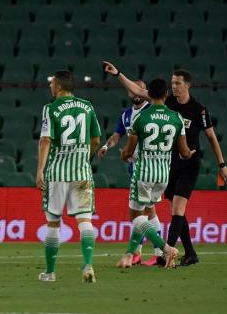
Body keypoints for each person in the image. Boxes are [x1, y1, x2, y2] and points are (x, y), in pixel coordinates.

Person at [103, 61, 227, 266]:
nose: (174, 86)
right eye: (172, 83)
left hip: (178, 166)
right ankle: (187, 252)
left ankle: (164, 250)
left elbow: (211, 137)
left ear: (187, 85)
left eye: (178, 83)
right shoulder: (172, 110)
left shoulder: (198, 110)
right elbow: (137, 89)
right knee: (170, 211)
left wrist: (221, 163)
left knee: (156, 213)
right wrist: (118, 73)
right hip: (168, 167)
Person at [114, 78, 196, 269]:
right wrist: (188, 154)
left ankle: (165, 248)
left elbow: (128, 151)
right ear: (166, 95)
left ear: (149, 95)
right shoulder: (176, 118)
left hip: (143, 173)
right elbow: (184, 152)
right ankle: (132, 255)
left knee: (135, 216)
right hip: (162, 176)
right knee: (146, 212)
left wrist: (124, 157)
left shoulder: (140, 118)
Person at [36, 70, 101, 283]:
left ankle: (50, 272)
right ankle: (88, 263)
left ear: (60, 86)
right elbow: (95, 140)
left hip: (57, 174)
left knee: (54, 222)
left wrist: (40, 170)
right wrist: (85, 159)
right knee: (85, 221)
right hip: (82, 172)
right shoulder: (88, 106)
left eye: (52, 82)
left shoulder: (50, 108)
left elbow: (45, 141)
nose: (50, 86)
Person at [97, 79, 164, 266]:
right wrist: (106, 146)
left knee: (146, 211)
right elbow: (117, 136)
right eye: (132, 91)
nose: (135, 94)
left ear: (145, 92)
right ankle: (140, 252)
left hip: (148, 168)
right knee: (145, 211)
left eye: (140, 90)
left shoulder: (150, 112)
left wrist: (128, 153)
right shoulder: (126, 115)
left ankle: (158, 251)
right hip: (134, 168)